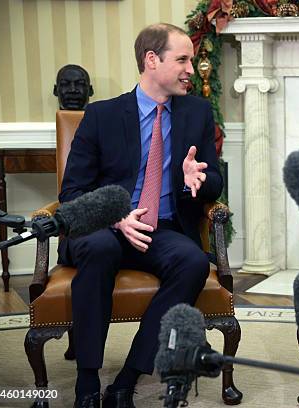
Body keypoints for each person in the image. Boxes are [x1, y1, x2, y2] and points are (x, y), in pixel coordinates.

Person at [58, 23, 222, 408]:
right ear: (152, 60)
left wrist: (194, 179)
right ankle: (86, 384)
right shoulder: (101, 115)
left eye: (191, 60)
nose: (190, 68)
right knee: (99, 250)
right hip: (104, 225)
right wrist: (116, 216)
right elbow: (72, 193)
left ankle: (127, 380)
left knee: (193, 262)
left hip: (158, 228)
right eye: (182, 59)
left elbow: (213, 180)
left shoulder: (196, 112)